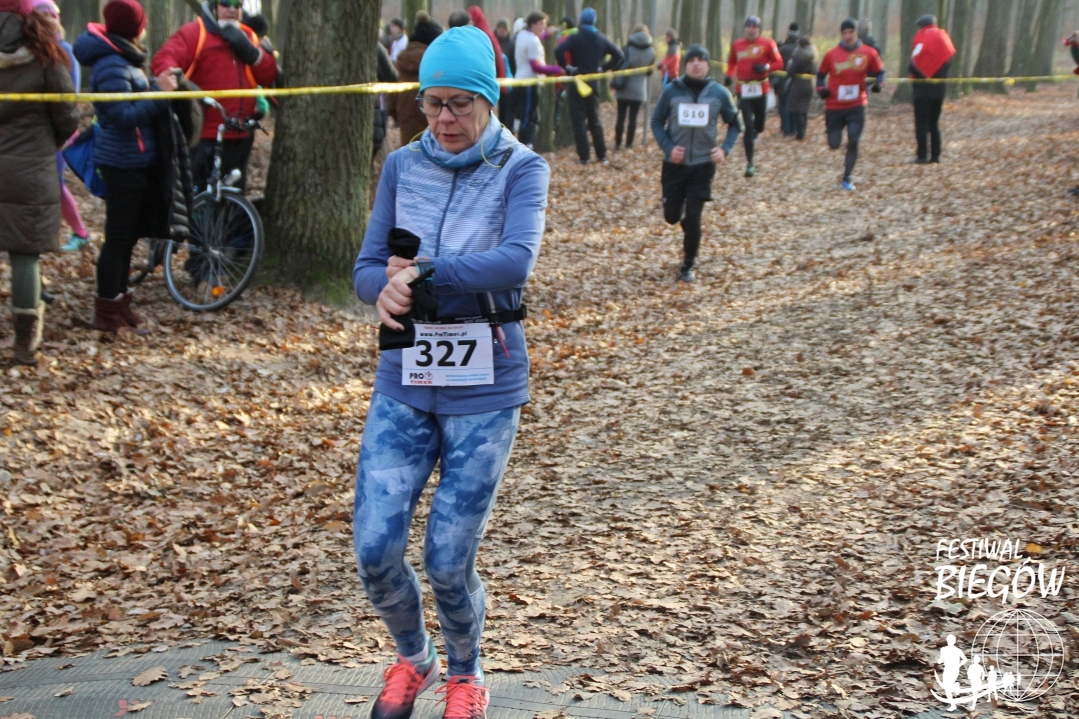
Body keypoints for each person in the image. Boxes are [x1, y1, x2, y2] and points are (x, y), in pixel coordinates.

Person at [352, 24, 549, 719]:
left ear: (489, 100)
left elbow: (515, 261)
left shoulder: (522, 167)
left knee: (445, 560)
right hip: (405, 376)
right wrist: (382, 288)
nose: (443, 118)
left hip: (485, 386)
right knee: (375, 548)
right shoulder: (403, 166)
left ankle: (466, 674)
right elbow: (367, 266)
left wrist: (425, 275)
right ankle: (414, 658)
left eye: (459, 103)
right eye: (432, 103)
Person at [73, 0, 180, 334]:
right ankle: (106, 311)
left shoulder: (125, 58)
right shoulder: (111, 64)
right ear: (134, 27)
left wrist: (154, 86)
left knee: (129, 238)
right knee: (118, 239)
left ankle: (121, 305)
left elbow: (133, 102)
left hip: (136, 161)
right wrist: (158, 93)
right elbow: (121, 116)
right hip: (121, 163)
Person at [0, 0, 78, 365]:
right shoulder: (45, 49)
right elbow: (67, 113)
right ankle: (23, 345)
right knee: (24, 255)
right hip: (30, 167)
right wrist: (50, 142)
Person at [151, 0, 278, 193]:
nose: (232, 10)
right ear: (213, 6)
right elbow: (162, 61)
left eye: (237, 5)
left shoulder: (248, 35)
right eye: (225, 3)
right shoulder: (195, 32)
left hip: (240, 135)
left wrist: (253, 54)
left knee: (233, 198)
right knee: (201, 197)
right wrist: (184, 86)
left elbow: (268, 76)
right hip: (204, 137)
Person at [650, 44, 741, 283]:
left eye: (701, 60)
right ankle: (682, 219)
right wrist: (669, 148)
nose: (696, 64)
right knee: (672, 216)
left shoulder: (719, 93)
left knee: (694, 216)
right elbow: (657, 122)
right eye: (691, 60)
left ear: (708, 65)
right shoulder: (671, 91)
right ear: (685, 65)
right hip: (674, 165)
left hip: (702, 165)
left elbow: (735, 124)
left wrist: (724, 149)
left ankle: (688, 264)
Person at [30, 0, 88, 253]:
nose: (50, 19)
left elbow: (69, 94)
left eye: (53, 15)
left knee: (54, 183)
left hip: (58, 130)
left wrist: (65, 128)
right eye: (43, 15)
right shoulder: (29, 50)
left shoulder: (64, 49)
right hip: (33, 130)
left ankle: (80, 233)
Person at [817, 18, 883, 191]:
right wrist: (821, 89)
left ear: (856, 33)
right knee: (834, 144)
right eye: (845, 33)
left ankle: (847, 178)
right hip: (834, 106)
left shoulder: (869, 52)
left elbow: (880, 72)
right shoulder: (831, 54)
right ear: (841, 35)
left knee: (854, 140)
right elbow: (820, 75)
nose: (848, 36)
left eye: (851, 32)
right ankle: (833, 135)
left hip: (857, 105)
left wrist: (878, 84)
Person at [555, 7, 623, 165]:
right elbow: (619, 55)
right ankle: (602, 155)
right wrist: (603, 68)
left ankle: (584, 157)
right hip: (593, 84)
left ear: (581, 21)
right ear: (594, 21)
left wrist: (567, 67)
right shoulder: (601, 39)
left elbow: (558, 50)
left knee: (578, 121)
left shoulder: (575, 37)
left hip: (577, 81)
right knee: (594, 120)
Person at [725, 15, 783, 177]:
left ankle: (757, 129)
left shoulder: (768, 43)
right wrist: (729, 75)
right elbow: (732, 62)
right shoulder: (737, 44)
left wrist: (766, 67)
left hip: (761, 88)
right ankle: (750, 163)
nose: (751, 30)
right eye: (748, 27)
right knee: (748, 127)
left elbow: (779, 63)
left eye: (754, 27)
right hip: (743, 89)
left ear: (759, 29)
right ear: (745, 29)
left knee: (760, 125)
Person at [389, 10, 441, 146]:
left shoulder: (400, 65)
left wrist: (403, 117)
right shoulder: (438, 67)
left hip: (407, 136)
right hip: (436, 136)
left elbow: (390, 103)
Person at [513, 10, 562, 148]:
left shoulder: (523, 35)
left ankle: (524, 142)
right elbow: (536, 66)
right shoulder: (532, 41)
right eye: (541, 24)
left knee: (528, 114)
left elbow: (534, 41)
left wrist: (547, 34)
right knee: (528, 116)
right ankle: (525, 144)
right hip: (530, 83)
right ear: (533, 24)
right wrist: (557, 70)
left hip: (521, 81)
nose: (544, 27)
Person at [909, 14, 954, 164]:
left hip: (922, 89)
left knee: (921, 123)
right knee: (934, 123)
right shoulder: (944, 37)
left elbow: (913, 64)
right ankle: (936, 155)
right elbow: (949, 61)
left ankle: (922, 155)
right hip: (939, 90)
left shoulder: (921, 39)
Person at [614, 24, 654, 150]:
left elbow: (618, 64)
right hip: (639, 89)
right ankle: (629, 145)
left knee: (620, 117)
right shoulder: (652, 51)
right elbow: (649, 72)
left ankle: (618, 144)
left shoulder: (627, 48)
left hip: (623, 87)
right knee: (633, 119)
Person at [786, 35, 817, 140]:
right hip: (809, 83)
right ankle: (803, 130)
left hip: (798, 84)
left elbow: (791, 71)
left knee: (796, 109)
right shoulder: (813, 55)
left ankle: (800, 133)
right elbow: (815, 71)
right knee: (804, 108)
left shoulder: (798, 55)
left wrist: (789, 66)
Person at [774, 22, 799, 137]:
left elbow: (776, 65)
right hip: (797, 82)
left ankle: (786, 129)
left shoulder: (782, 49)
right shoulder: (800, 49)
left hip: (783, 82)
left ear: (788, 34)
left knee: (784, 105)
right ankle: (794, 129)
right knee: (794, 106)